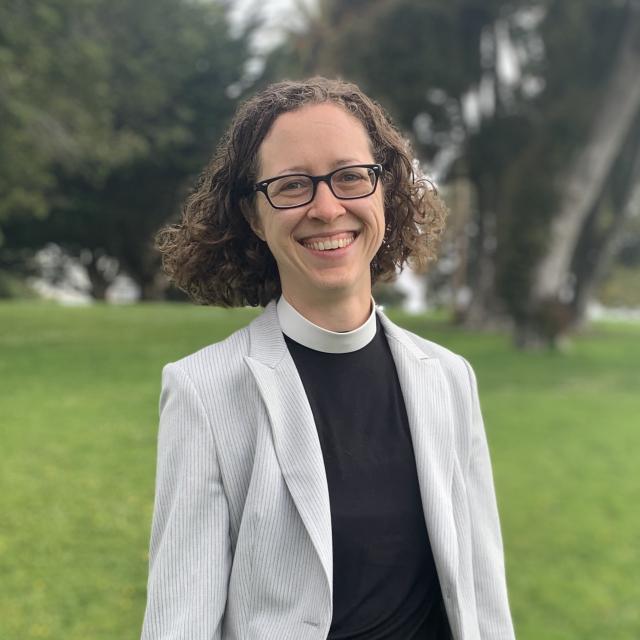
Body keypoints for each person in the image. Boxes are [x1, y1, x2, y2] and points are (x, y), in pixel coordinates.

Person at [140, 77, 516, 640]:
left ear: (383, 189)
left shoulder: (448, 378)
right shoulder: (205, 392)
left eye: (349, 177)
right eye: (292, 186)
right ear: (252, 214)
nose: (326, 207)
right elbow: (180, 623)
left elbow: (483, 597)